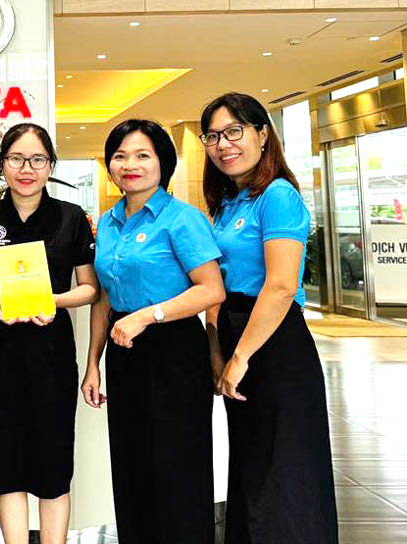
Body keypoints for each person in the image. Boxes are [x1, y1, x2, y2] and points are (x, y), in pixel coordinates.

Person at [200, 92, 338, 544]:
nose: (223, 144)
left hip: (274, 342)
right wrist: (219, 354)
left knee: (286, 469)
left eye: (234, 132)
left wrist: (240, 357)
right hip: (237, 334)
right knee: (252, 464)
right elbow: (217, 288)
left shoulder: (278, 196)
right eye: (213, 136)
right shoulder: (227, 202)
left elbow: (280, 287)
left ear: (263, 134)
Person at [81, 119, 225, 544]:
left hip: (174, 349)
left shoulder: (182, 219)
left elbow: (210, 289)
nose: (130, 164)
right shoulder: (107, 223)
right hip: (123, 351)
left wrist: (149, 316)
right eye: (121, 156)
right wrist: (92, 363)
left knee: (177, 466)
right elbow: (104, 299)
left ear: (164, 162)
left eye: (143, 155)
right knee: (132, 463)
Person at [0, 123, 97, 544]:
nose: (27, 169)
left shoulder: (72, 218)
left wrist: (55, 301)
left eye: (38, 160)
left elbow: (90, 288)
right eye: (17, 159)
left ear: (50, 166)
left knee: (54, 460)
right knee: (7, 462)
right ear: (2, 164)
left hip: (53, 354)